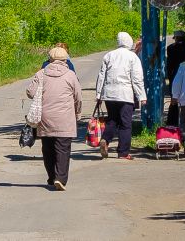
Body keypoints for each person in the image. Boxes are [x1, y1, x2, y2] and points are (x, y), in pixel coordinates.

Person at [26, 46, 82, 191]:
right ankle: (60, 178)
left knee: (48, 149)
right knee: (63, 149)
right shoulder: (71, 75)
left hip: (45, 118)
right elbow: (78, 97)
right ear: (65, 59)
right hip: (65, 119)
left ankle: (51, 177)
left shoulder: (41, 74)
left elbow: (30, 93)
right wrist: (78, 114)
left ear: (50, 59)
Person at [95, 32, 147, 160]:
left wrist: (99, 94)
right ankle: (123, 152)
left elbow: (101, 76)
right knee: (125, 123)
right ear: (129, 42)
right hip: (125, 94)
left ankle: (105, 140)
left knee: (112, 119)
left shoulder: (108, 55)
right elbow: (137, 78)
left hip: (109, 94)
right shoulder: (132, 57)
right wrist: (141, 96)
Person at [166, 30, 185, 126]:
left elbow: (169, 65)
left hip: (175, 75)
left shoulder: (170, 48)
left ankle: (172, 123)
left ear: (176, 38)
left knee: (174, 100)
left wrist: (169, 77)